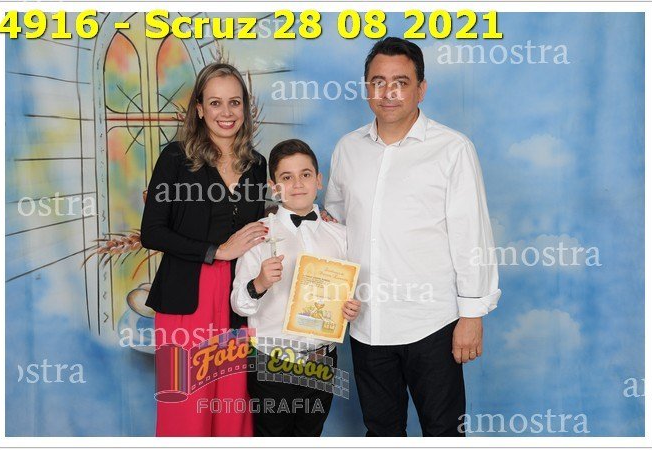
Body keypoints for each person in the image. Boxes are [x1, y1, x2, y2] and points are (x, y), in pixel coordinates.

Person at [324, 37, 501, 437]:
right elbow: (336, 227)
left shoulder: (452, 149)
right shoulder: (347, 149)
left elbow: (471, 235)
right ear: (366, 87)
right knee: (381, 431)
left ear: (421, 89)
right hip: (368, 323)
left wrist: (472, 314)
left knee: (444, 431)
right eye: (378, 82)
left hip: (432, 323)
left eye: (400, 82)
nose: (388, 92)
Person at [140, 62, 268, 437]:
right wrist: (217, 251)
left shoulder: (257, 165)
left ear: (245, 107)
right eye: (215, 103)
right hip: (183, 303)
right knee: (184, 415)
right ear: (199, 108)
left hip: (237, 303)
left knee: (232, 413)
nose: (225, 113)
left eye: (234, 102)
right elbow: (152, 233)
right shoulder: (175, 158)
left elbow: (261, 226)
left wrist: (311, 217)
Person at [231, 139, 362, 437]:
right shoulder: (258, 235)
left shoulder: (340, 235)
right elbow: (239, 303)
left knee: (310, 435)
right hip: (272, 361)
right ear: (274, 187)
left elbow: (353, 290)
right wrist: (260, 283)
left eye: (305, 175)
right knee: (272, 436)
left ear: (319, 180)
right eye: (286, 177)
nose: (297, 184)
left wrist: (352, 307)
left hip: (321, 360)